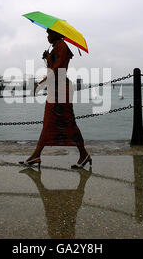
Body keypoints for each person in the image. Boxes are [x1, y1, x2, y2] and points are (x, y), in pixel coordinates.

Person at [19, 29, 92, 169]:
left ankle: (83, 155)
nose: (47, 36)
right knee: (49, 122)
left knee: (68, 122)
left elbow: (57, 70)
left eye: (49, 33)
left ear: (56, 34)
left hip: (61, 91)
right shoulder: (58, 47)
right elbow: (54, 68)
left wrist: (40, 84)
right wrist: (48, 58)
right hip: (56, 90)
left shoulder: (62, 47)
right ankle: (36, 154)